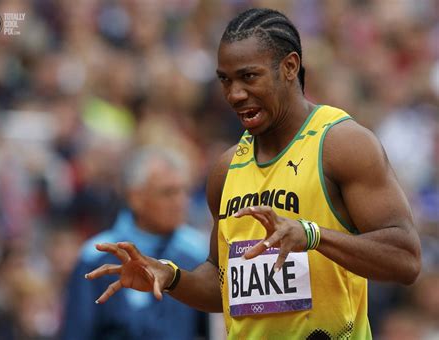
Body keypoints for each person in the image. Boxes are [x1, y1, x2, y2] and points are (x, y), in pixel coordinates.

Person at [84, 8, 422, 339]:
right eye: (225, 80)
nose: (234, 94)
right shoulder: (226, 169)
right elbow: (222, 286)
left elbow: (405, 259)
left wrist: (313, 236)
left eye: (248, 77)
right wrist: (171, 277)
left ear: (290, 67)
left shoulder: (341, 144)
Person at [62, 146, 208, 340]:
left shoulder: (198, 253)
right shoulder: (95, 256)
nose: (181, 202)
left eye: (184, 192)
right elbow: (77, 332)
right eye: (168, 193)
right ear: (136, 198)